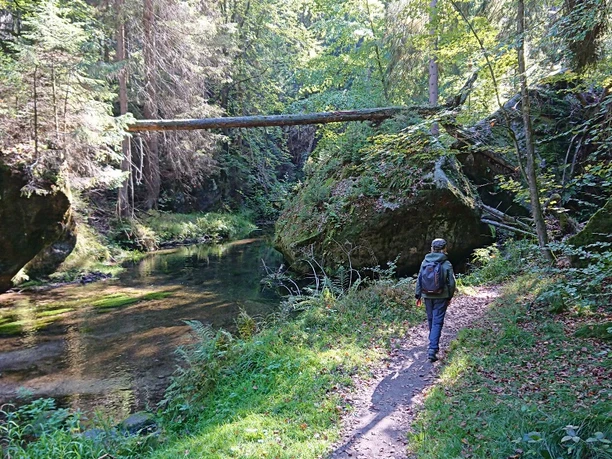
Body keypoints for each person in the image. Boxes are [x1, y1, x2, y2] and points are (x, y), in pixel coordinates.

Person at [415, 238, 456, 362]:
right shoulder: (446, 263)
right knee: (437, 322)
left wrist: (418, 295)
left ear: (432, 248)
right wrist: (449, 296)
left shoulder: (425, 262)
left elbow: (420, 278)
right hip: (441, 296)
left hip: (427, 295)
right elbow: (452, 283)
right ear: (444, 249)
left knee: (431, 320)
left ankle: (432, 344)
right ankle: (432, 349)